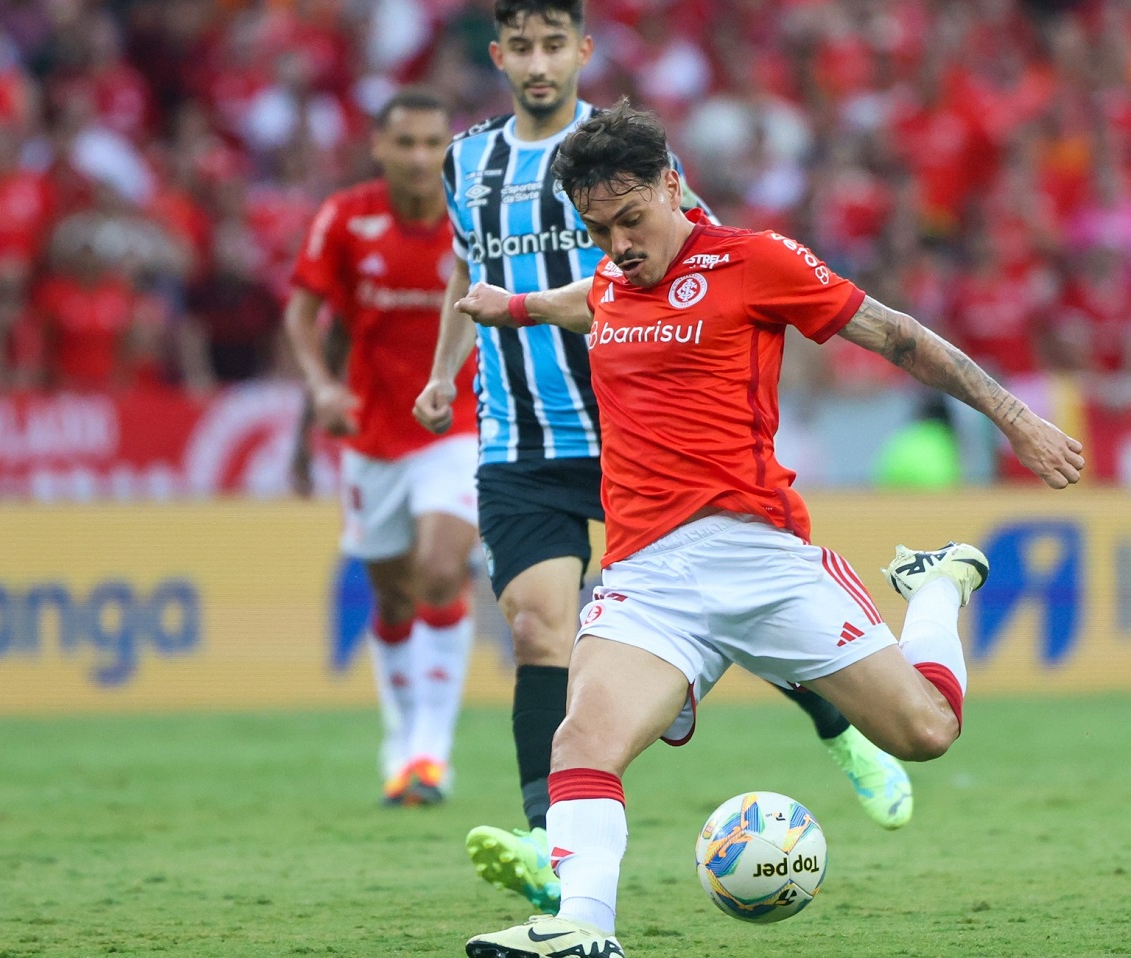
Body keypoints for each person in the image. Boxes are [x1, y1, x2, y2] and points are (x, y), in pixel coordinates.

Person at [458, 99, 1084, 957]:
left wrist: (1015, 418)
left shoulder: (754, 262)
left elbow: (896, 336)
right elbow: (589, 300)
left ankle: (937, 585)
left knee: (928, 732)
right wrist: (516, 306)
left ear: (672, 185)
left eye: (632, 219)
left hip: (759, 554)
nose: (619, 246)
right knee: (584, 739)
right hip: (647, 575)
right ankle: (581, 930)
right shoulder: (611, 279)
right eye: (600, 229)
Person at [413, 0, 913, 915]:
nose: (536, 61)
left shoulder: (630, 162)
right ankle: (548, 842)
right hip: (521, 435)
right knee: (536, 626)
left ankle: (844, 728)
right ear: (497, 55)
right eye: (519, 45)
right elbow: (465, 263)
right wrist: (451, 361)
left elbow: (710, 270)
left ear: (580, 51)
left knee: (727, 595)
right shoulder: (467, 160)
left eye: (552, 43)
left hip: (635, 435)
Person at [286, 87, 478, 807]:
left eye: (435, 143)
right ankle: (400, 740)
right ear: (380, 148)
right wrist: (321, 392)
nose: (422, 157)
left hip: (453, 424)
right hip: (370, 435)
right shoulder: (345, 217)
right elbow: (303, 317)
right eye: (407, 143)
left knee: (438, 568)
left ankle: (432, 751)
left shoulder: (472, 221)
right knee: (392, 597)